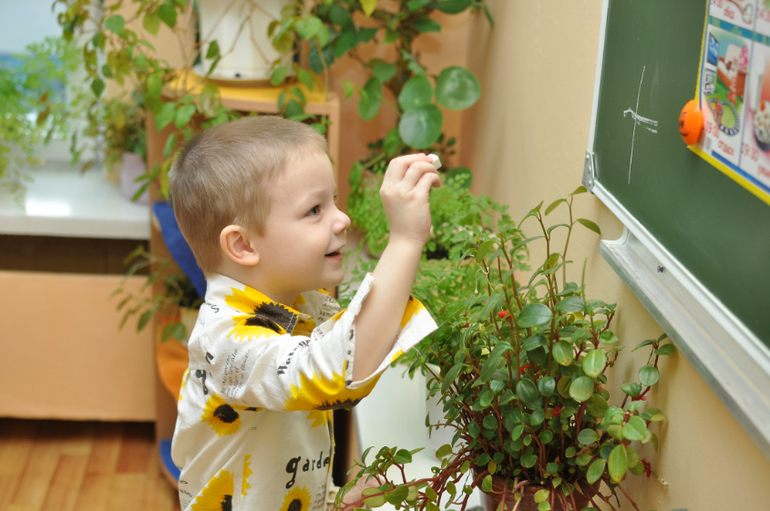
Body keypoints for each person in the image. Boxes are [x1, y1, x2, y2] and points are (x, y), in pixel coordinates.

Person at [169, 115, 441, 511]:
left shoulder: (300, 304)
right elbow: (338, 372)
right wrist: (404, 239)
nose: (342, 219)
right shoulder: (225, 340)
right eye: (314, 209)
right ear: (243, 245)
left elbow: (278, 455)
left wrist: (335, 500)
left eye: (332, 200)